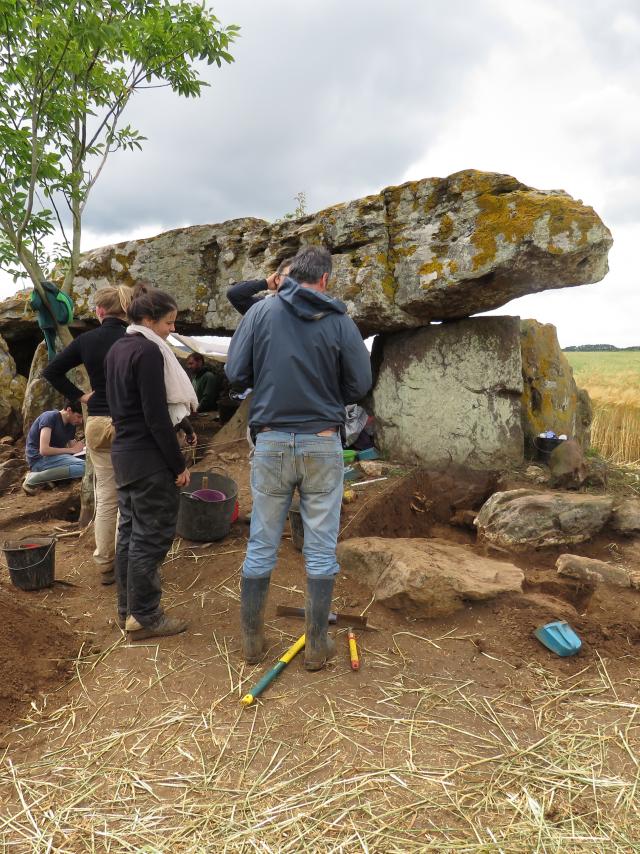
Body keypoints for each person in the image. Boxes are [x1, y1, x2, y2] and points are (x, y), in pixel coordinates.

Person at [225, 246, 372, 671]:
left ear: (290, 275)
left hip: (270, 442)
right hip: (322, 442)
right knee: (322, 548)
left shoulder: (260, 314)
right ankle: (317, 645)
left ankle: (252, 643)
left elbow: (235, 374)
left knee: (261, 543)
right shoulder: (341, 321)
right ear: (324, 280)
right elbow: (360, 383)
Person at [105, 283, 195, 641]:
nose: (171, 330)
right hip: (147, 458)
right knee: (151, 538)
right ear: (147, 319)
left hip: (124, 454)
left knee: (129, 535)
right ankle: (145, 616)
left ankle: (128, 610)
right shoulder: (148, 351)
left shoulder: (118, 348)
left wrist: (183, 424)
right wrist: (178, 466)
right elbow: (156, 416)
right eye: (168, 323)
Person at [42, 285, 134, 584]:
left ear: (99, 311)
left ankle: (104, 564)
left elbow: (51, 371)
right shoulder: (134, 339)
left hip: (96, 421)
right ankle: (125, 562)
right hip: (128, 421)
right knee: (128, 496)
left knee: (106, 495)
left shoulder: (86, 340)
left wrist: (80, 396)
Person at [25, 400, 85, 479]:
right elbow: (44, 450)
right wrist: (72, 450)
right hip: (39, 460)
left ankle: (52, 477)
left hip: (57, 458)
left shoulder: (71, 424)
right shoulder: (49, 417)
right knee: (86, 467)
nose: (80, 421)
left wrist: (82, 448)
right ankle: (35, 478)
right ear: (69, 410)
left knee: (90, 461)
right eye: (78, 416)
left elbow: (73, 447)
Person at [226, 256, 296, 316]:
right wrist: (265, 283)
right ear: (277, 279)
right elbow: (234, 294)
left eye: (301, 278)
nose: (294, 282)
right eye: (289, 277)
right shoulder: (263, 306)